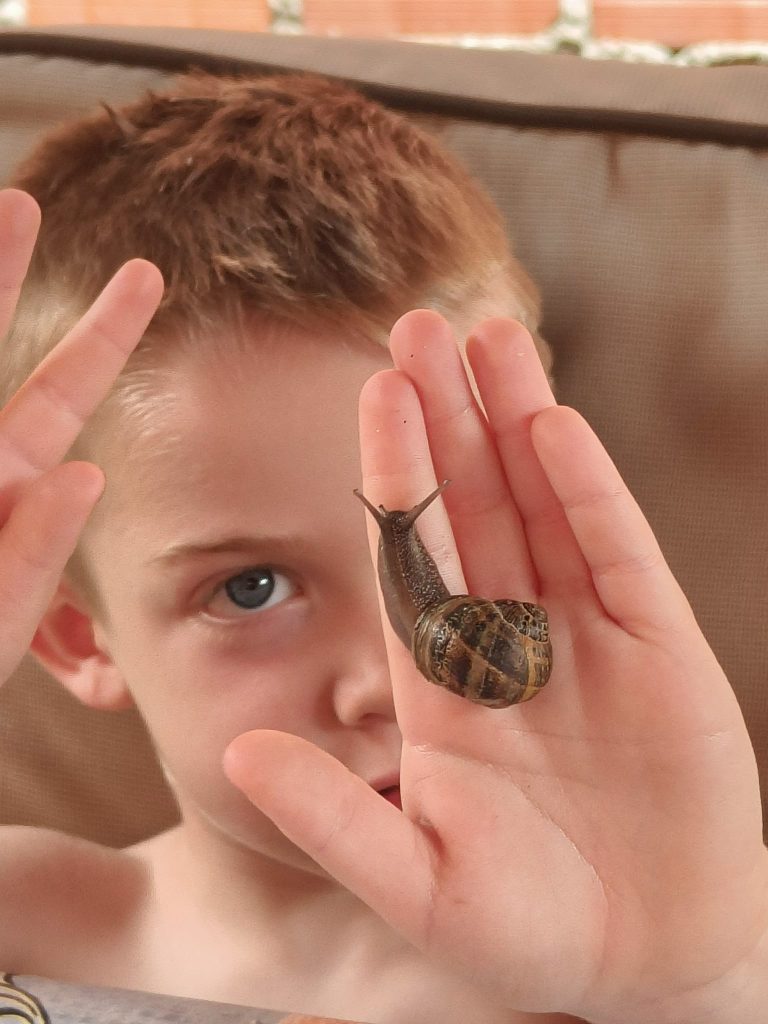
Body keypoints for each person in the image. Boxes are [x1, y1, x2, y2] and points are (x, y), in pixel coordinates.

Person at [0, 71, 764, 1024]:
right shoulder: (27, 916)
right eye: (251, 587)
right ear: (78, 637)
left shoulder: (663, 962)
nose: (391, 679)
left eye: (456, 555)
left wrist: (696, 992)